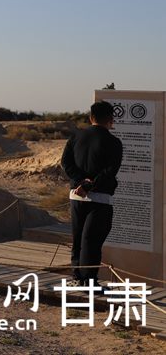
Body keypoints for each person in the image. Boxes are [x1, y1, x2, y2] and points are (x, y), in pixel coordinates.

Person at [60, 100, 123, 286]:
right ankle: (89, 280)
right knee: (92, 240)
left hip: (76, 195)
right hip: (100, 197)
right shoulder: (114, 142)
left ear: (90, 118)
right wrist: (89, 185)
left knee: (78, 237)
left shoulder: (75, 137)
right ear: (110, 119)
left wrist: (81, 182)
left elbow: (66, 164)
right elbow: (110, 171)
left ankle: (77, 276)